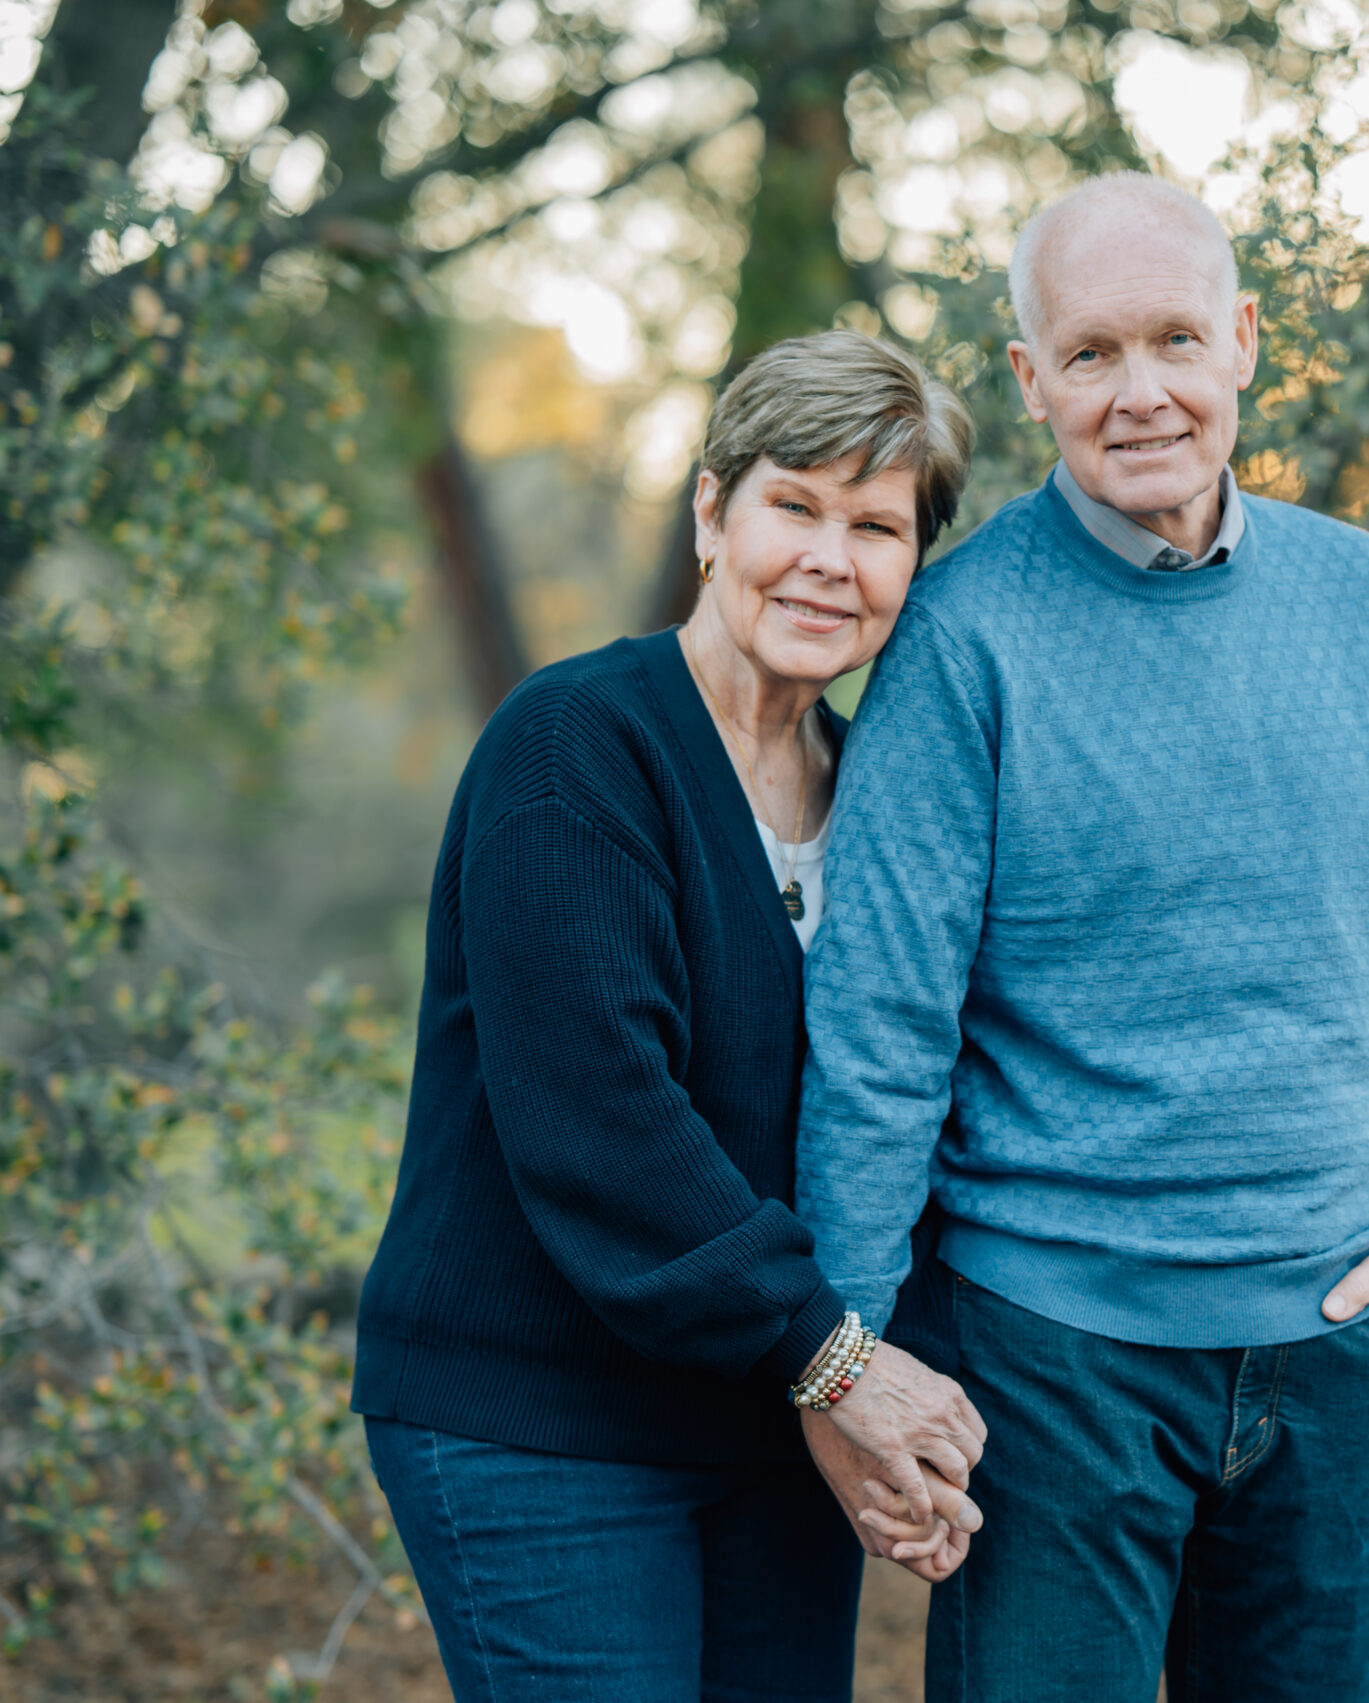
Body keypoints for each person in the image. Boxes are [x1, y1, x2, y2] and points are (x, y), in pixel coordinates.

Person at [798, 174, 1369, 1702]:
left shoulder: (1368, 600)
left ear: (1245, 342)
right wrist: (847, 1362)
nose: (1141, 395)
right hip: (1053, 1368)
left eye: (1176, 340)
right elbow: (880, 1027)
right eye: (1094, 353)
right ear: (1031, 380)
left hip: (1339, 1355)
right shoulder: (960, 639)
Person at [354, 328, 984, 1703]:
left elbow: (906, 1102)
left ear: (912, 572)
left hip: (768, 1419)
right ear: (713, 511)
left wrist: (878, 1383)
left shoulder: (885, 792)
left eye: (877, 526)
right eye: (795, 505)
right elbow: (602, 1124)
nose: (831, 557)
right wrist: (840, 1365)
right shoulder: (577, 748)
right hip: (541, 1418)